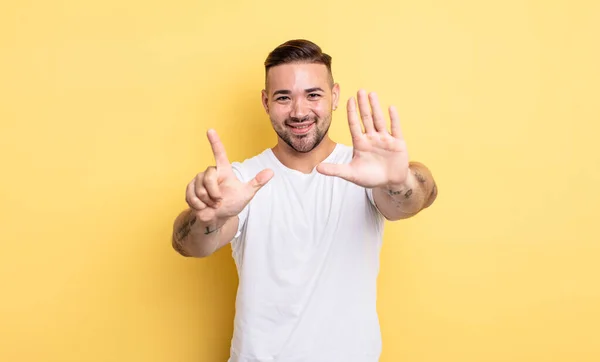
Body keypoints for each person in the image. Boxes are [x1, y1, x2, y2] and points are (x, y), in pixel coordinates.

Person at [171, 39, 438, 362]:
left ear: (334, 96)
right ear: (266, 102)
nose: (299, 112)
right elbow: (190, 245)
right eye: (284, 97)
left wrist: (400, 181)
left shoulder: (367, 173)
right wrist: (207, 218)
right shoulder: (243, 181)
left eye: (313, 95)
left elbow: (413, 200)